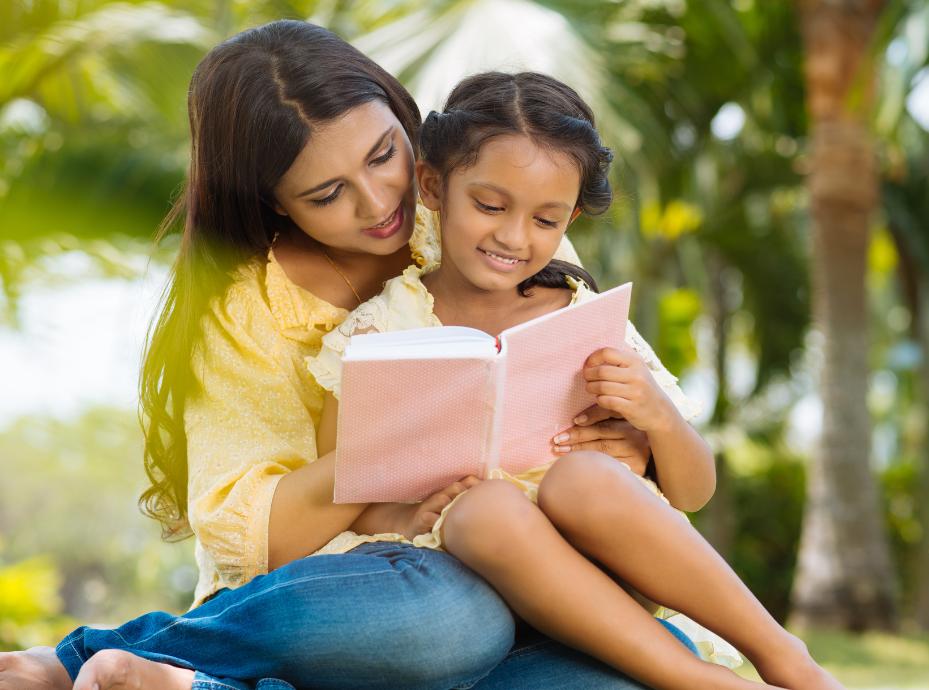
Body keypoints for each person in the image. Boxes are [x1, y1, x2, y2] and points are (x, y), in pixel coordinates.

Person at [0, 20, 697, 690]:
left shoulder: (487, 208)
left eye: (384, 154)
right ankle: (99, 659)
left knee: (638, 662)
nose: (379, 202)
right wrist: (403, 444)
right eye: (328, 194)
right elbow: (260, 537)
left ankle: (202, 687)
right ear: (274, 203)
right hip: (371, 587)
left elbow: (631, 414)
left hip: (539, 574)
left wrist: (631, 439)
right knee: (454, 626)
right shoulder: (245, 310)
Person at [310, 71, 846, 690]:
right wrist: (398, 522)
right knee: (484, 509)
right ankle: (700, 682)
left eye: (548, 219)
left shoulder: (580, 314)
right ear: (433, 187)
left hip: (606, 562)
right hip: (477, 578)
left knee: (584, 478)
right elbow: (342, 490)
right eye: (490, 206)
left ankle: (784, 656)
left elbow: (694, 491)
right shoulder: (375, 334)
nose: (515, 237)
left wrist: (658, 422)